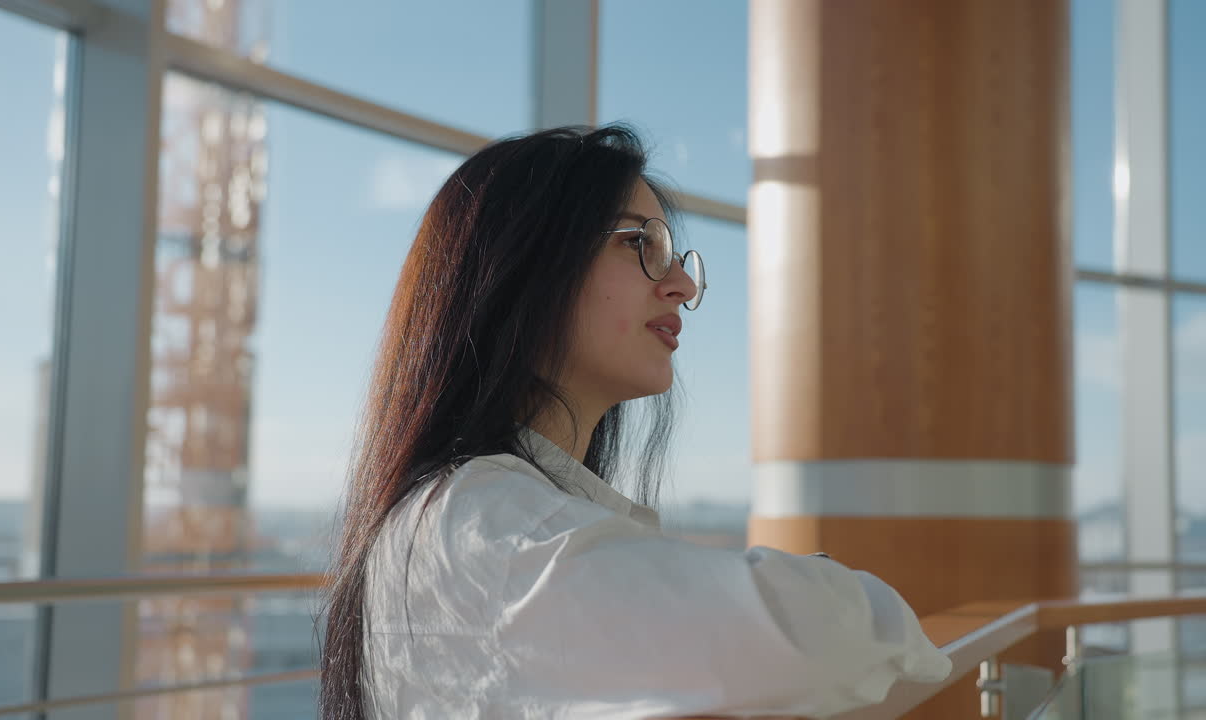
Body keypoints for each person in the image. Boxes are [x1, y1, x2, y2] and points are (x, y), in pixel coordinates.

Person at [317, 125, 951, 720]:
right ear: (523, 264)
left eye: (671, 252)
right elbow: (817, 638)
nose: (681, 286)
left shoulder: (483, 514)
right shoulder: (484, 527)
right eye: (638, 243)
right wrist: (827, 584)